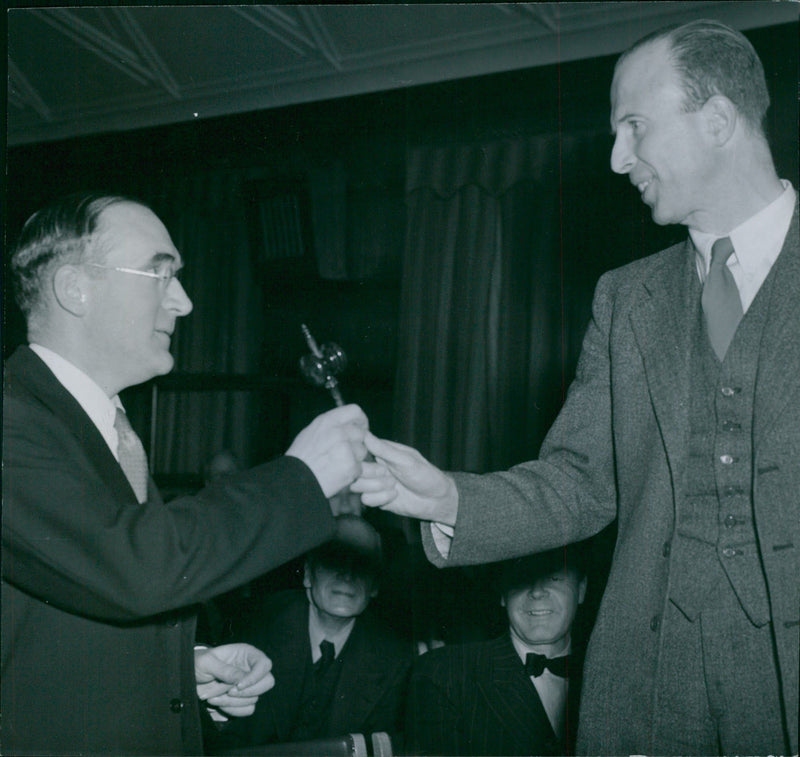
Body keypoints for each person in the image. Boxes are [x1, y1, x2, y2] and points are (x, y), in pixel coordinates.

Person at [353, 19, 798, 756]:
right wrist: (449, 499)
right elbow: (580, 480)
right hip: (650, 690)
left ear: (718, 120)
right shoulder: (626, 298)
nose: (619, 158)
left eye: (634, 127)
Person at [2, 191, 369, 756]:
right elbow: (137, 566)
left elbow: (70, 603)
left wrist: (184, 669)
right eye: (160, 274)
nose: (184, 302)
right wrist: (303, 476)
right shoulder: (13, 417)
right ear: (75, 288)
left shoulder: (104, 425)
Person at [209, 514, 412, 752]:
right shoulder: (255, 625)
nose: (347, 574)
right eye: (334, 559)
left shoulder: (396, 657)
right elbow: (223, 740)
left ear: (375, 586)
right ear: (307, 574)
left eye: (362, 564)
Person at [405, 547, 587, 756]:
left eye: (554, 577)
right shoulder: (445, 673)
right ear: (502, 594)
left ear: (582, 589)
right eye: (522, 577)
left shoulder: (614, 675)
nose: (537, 591)